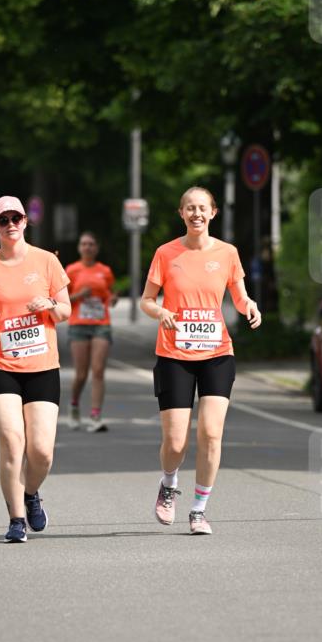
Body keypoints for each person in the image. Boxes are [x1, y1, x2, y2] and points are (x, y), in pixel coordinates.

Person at [140, 186, 261, 535]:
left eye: (202, 208)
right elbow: (147, 300)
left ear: (213, 213)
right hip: (174, 354)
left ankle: (198, 509)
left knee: (211, 433)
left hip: (217, 353)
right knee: (176, 441)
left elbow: (239, 297)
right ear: (181, 214)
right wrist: (160, 310)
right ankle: (168, 484)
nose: (196, 214)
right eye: (190, 208)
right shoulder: (166, 253)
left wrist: (249, 306)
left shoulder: (227, 253)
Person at [0, 196, 71, 543]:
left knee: (41, 452)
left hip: (41, 366)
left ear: (26, 221)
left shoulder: (46, 261)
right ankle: (16, 520)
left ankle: (30, 493)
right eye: (2, 219)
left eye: (16, 218)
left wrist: (51, 305)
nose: (10, 224)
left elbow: (66, 310)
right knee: (12, 441)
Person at [65, 231, 118, 433]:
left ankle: (95, 415)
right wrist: (79, 294)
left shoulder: (104, 271)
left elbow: (110, 294)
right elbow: (61, 300)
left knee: (97, 371)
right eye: (84, 244)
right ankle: (74, 405)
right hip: (78, 324)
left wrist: (112, 299)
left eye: (91, 244)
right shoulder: (72, 270)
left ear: (96, 248)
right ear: (79, 247)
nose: (87, 247)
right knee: (81, 374)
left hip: (101, 324)